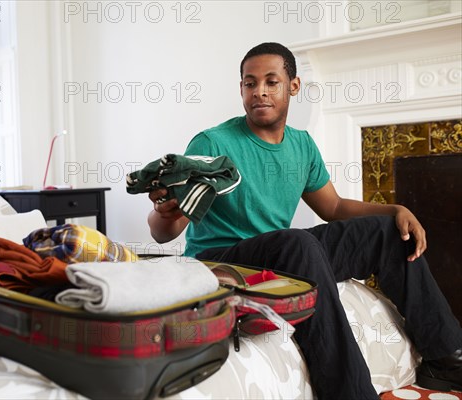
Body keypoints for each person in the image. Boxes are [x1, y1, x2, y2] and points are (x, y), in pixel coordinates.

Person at [146, 42, 462, 399]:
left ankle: (445, 359)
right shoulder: (212, 142)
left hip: (283, 254)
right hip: (222, 259)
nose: (259, 92)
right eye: (250, 84)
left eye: (271, 82)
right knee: (297, 242)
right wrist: (164, 213)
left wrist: (394, 210)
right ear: (241, 90)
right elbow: (163, 233)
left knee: (388, 232)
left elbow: (335, 207)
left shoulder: (302, 145)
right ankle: (350, 392)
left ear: (293, 86)